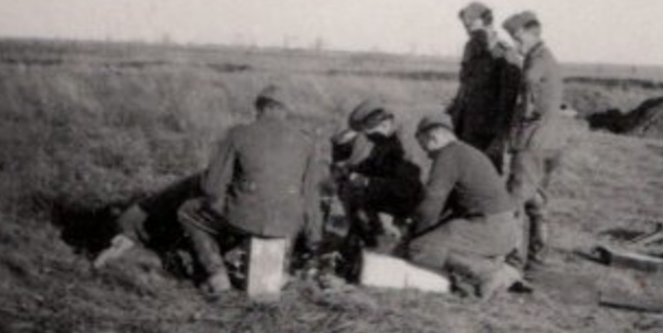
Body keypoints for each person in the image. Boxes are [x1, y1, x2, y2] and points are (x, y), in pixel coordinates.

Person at [177, 85, 323, 295]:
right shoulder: (306, 142)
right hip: (287, 223)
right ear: (286, 110)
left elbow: (211, 186)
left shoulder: (238, 134)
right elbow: (311, 197)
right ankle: (279, 270)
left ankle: (216, 274)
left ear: (260, 107)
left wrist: (220, 205)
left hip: (243, 218)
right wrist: (312, 239)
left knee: (188, 211)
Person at [406, 112, 521, 296]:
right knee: (437, 241)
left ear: (433, 137)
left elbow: (432, 202)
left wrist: (416, 233)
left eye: (424, 146)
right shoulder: (466, 152)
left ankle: (490, 273)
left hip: (489, 227)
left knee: (419, 249)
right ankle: (497, 269)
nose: (427, 155)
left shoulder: (448, 155)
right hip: (505, 229)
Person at [501, 10, 566, 269]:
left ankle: (512, 262)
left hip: (532, 143)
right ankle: (537, 263)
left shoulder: (535, 61)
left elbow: (528, 89)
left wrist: (520, 114)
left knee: (512, 204)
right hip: (552, 143)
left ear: (532, 33)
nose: (517, 45)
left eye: (518, 38)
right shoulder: (548, 59)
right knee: (537, 203)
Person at [334, 98, 424, 249]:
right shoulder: (384, 143)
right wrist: (349, 170)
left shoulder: (404, 148)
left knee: (357, 195)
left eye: (371, 133)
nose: (370, 139)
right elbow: (371, 166)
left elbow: (407, 188)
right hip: (388, 199)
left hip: (403, 208)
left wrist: (367, 182)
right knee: (348, 188)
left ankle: (379, 244)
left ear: (385, 124)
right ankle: (363, 242)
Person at [445, 0, 521, 172]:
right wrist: (455, 105)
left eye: (471, 25)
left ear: (487, 21)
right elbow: (466, 84)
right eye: (465, 26)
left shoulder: (504, 54)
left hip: (487, 134)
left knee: (486, 177)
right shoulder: (470, 48)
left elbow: (508, 101)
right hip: (464, 127)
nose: (467, 29)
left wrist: (500, 137)